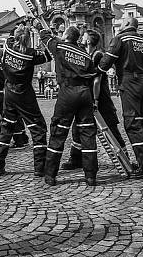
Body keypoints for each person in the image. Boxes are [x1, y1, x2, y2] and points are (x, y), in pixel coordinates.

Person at [32, 21, 98, 187]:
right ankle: (90, 176)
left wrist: (39, 26)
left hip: (67, 92)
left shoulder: (60, 46)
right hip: (85, 94)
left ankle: (50, 175)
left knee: (58, 132)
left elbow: (46, 38)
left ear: (66, 36)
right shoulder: (85, 54)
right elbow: (92, 74)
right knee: (87, 133)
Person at [61, 28, 128, 175]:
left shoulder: (98, 55)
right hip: (87, 97)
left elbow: (97, 81)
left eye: (84, 37)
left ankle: (125, 158)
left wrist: (96, 100)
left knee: (110, 127)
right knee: (77, 128)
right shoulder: (85, 54)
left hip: (100, 99)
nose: (81, 39)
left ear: (89, 40)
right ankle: (76, 158)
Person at [99, 18, 143, 180]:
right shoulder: (142, 41)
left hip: (129, 81)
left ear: (127, 25)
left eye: (123, 22)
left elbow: (105, 63)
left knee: (132, 123)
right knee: (142, 123)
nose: (120, 25)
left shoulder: (120, 39)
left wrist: (96, 68)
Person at [0, 23, 48, 178]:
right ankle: (39, 167)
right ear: (28, 39)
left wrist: (21, 26)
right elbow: (49, 54)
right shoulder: (31, 54)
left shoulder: (8, 48)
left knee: (6, 128)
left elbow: (10, 36)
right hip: (24, 94)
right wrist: (41, 30)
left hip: (9, 93)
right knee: (38, 128)